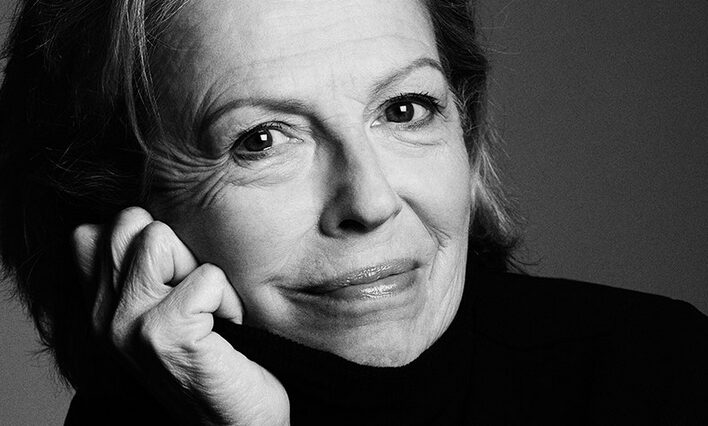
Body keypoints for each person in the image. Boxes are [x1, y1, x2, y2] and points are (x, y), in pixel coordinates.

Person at [0, 0, 706, 424]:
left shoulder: (658, 375)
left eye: (405, 109)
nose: (370, 202)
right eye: (261, 140)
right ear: (117, 207)